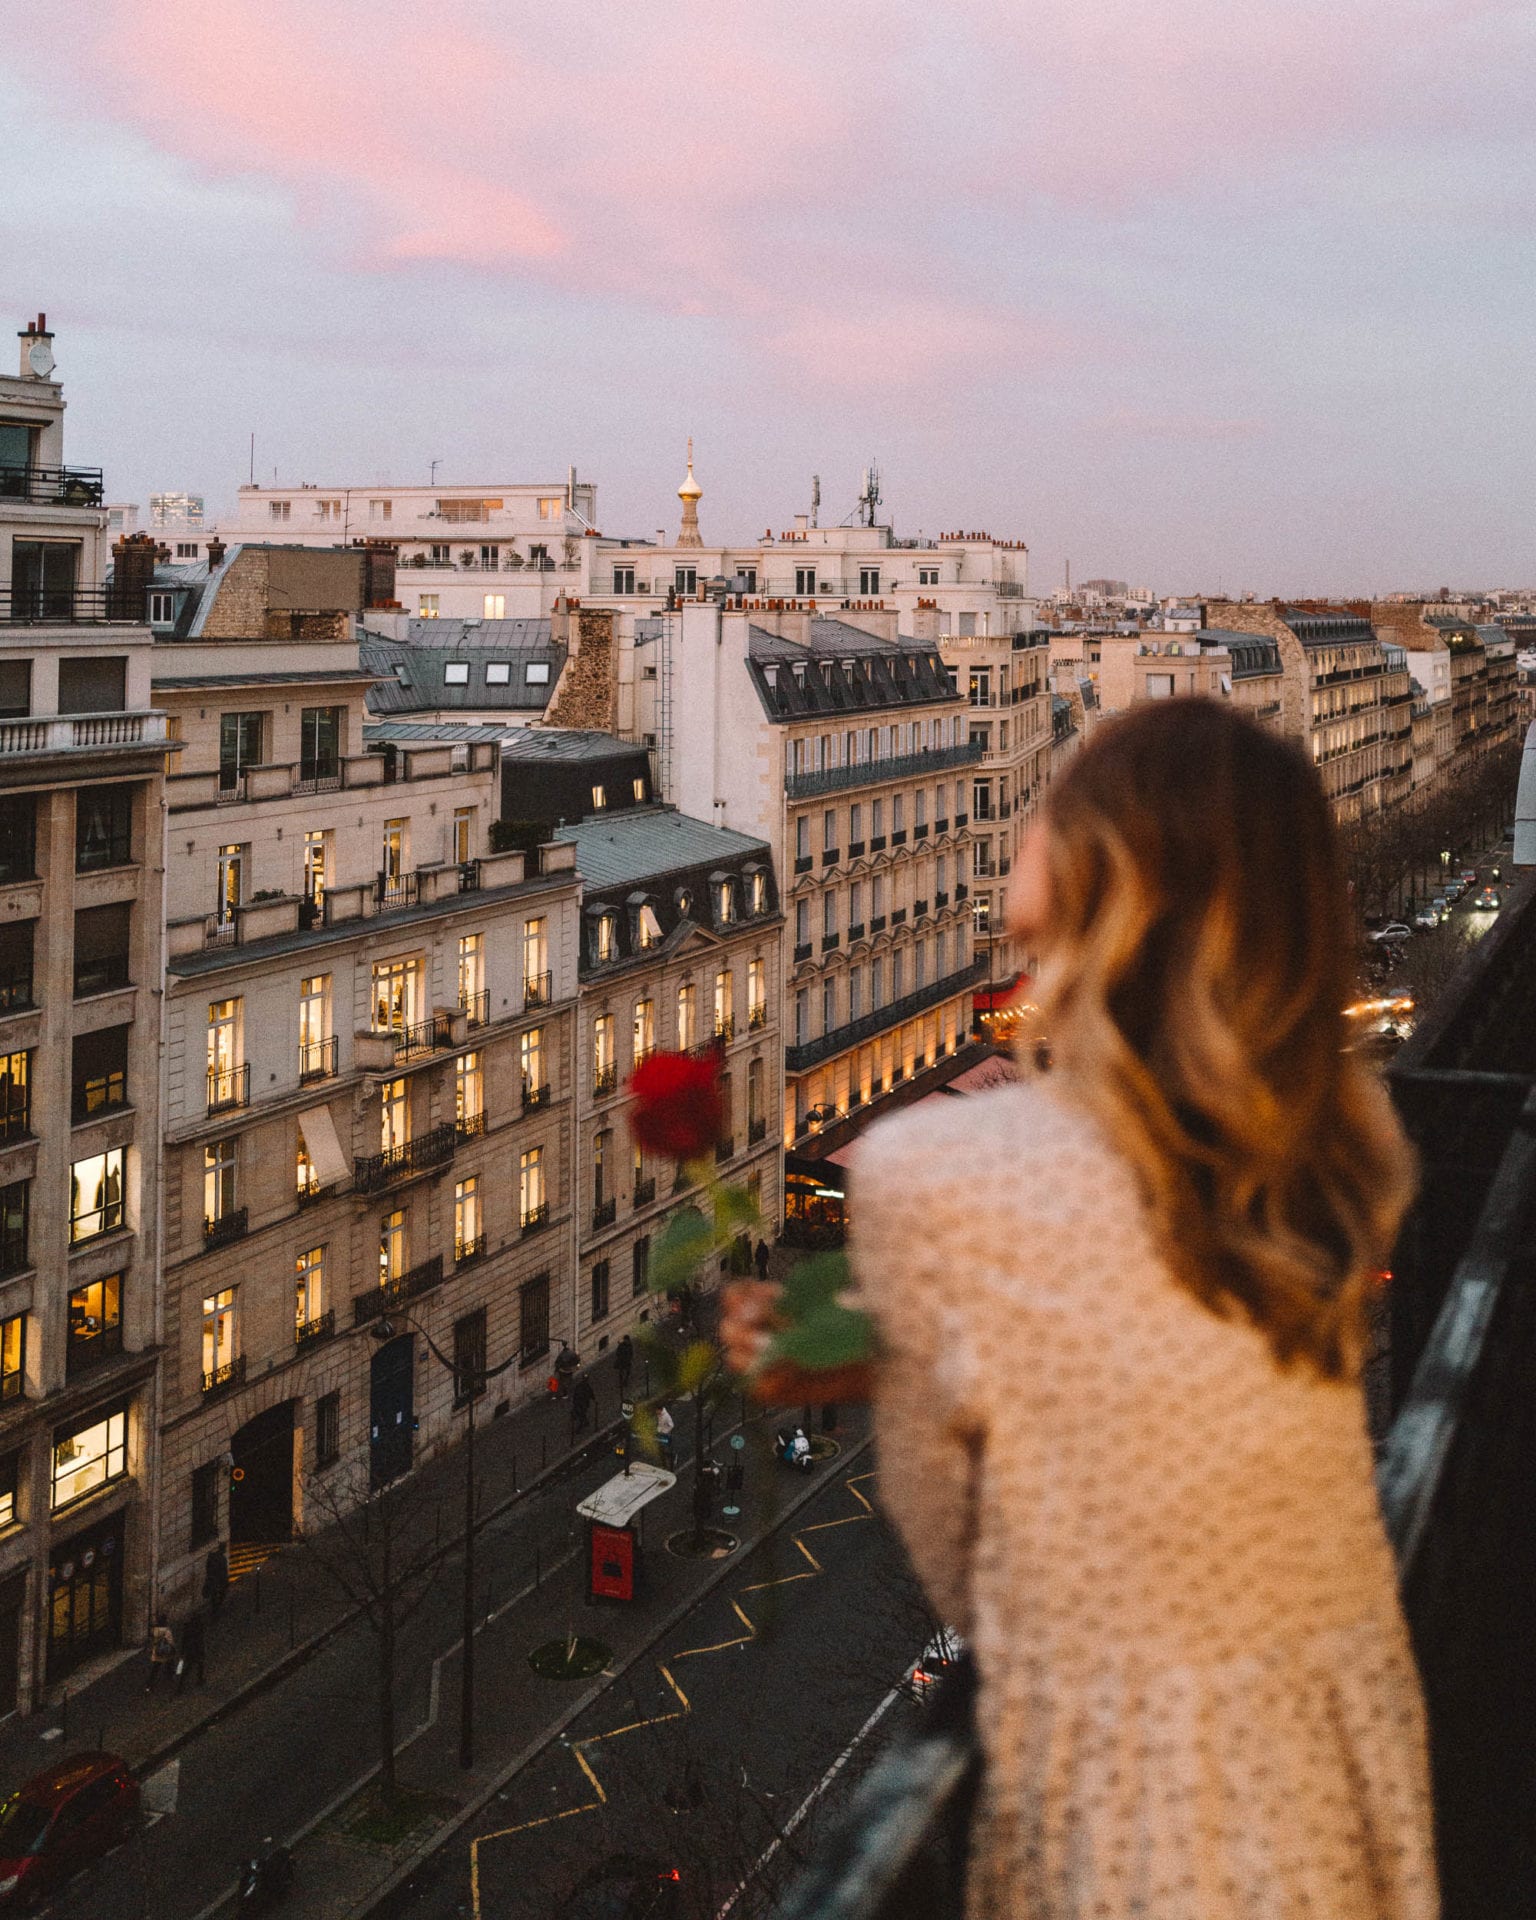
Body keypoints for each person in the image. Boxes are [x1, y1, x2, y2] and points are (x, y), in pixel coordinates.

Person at [722, 703, 1437, 1918]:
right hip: (1333, 1752)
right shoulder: (1333, 1150)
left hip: (1132, 1799)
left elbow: (972, 1566)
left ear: (1099, 866)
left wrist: (890, 1361)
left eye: (1053, 796)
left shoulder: (936, 1171)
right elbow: (1156, 1357)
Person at [176, 1610, 206, 1693]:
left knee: (189, 1668)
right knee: (199, 1664)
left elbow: (184, 1640)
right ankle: (199, 1680)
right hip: (197, 1649)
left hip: (190, 1650)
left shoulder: (188, 1628)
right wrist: (202, 1649)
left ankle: (180, 1686)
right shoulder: (199, 1627)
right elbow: (200, 1639)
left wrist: (183, 1651)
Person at [145, 1615, 175, 1694]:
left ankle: (149, 1685)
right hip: (165, 1651)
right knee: (169, 1662)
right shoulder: (167, 1631)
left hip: (157, 1651)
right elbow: (170, 1641)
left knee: (155, 1668)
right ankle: (170, 1677)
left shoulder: (155, 1630)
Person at [202, 1541, 229, 1621]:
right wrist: (225, 1581)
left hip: (212, 1580)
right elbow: (224, 1571)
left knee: (214, 1597)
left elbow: (208, 1568)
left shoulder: (212, 1556)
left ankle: (215, 1611)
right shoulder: (222, 1559)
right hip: (217, 1581)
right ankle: (215, 1612)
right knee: (219, 1596)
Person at [570, 1371, 595, 1435]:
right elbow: (591, 1394)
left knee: (581, 1414)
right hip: (582, 1403)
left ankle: (583, 1424)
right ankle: (582, 1425)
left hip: (579, 1403)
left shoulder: (579, 1386)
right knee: (582, 1414)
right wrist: (594, 1400)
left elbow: (575, 1394)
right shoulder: (586, 1386)